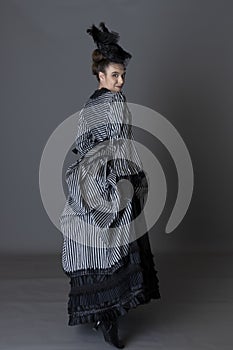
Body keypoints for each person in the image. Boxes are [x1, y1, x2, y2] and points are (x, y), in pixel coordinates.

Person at [59, 22, 161, 349]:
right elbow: (119, 145)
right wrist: (127, 179)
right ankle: (109, 317)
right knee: (114, 243)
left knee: (94, 244)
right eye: (115, 75)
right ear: (100, 75)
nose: (121, 81)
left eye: (122, 75)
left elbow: (82, 144)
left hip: (87, 178)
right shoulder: (114, 103)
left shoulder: (90, 103)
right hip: (108, 177)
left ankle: (102, 313)